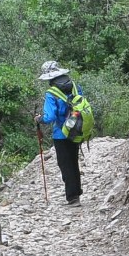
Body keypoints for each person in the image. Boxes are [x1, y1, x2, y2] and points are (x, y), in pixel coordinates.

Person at [37, 61, 83, 206]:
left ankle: (72, 197)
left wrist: (39, 119)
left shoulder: (51, 93)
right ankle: (77, 193)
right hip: (76, 129)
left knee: (65, 164)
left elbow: (49, 117)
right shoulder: (75, 86)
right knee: (74, 162)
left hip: (61, 134)